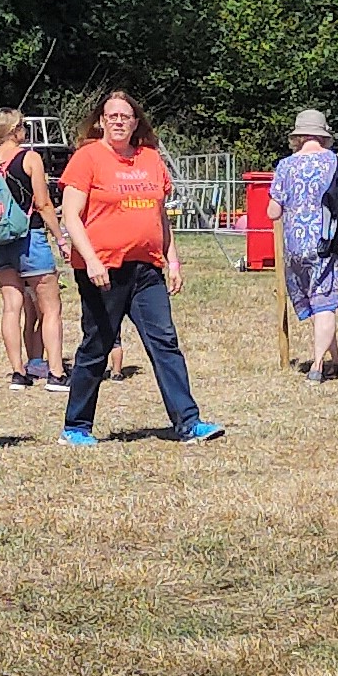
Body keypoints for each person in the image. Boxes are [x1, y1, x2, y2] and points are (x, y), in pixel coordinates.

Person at [56, 91, 223, 445]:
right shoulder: (87, 158)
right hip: (103, 270)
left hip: (146, 269)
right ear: (101, 121)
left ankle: (189, 423)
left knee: (165, 342)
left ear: (136, 123)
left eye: (125, 116)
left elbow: (159, 217)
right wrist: (91, 260)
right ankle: (76, 426)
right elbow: (71, 216)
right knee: (97, 345)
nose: (118, 121)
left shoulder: (150, 159)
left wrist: (172, 259)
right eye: (111, 115)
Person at [0, 108, 69, 393]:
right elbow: (42, 203)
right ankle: (55, 372)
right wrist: (61, 238)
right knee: (50, 307)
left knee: (11, 307)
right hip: (30, 237)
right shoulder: (29, 158)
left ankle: (18, 372)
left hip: (0, 242)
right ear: (16, 129)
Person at [267, 108, 338, 381]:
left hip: (296, 246)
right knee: (325, 305)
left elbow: (273, 212)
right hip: (328, 243)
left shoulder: (285, 166)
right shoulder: (337, 163)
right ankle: (318, 367)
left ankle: (337, 361)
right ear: (324, 136)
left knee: (321, 306)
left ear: (298, 137)